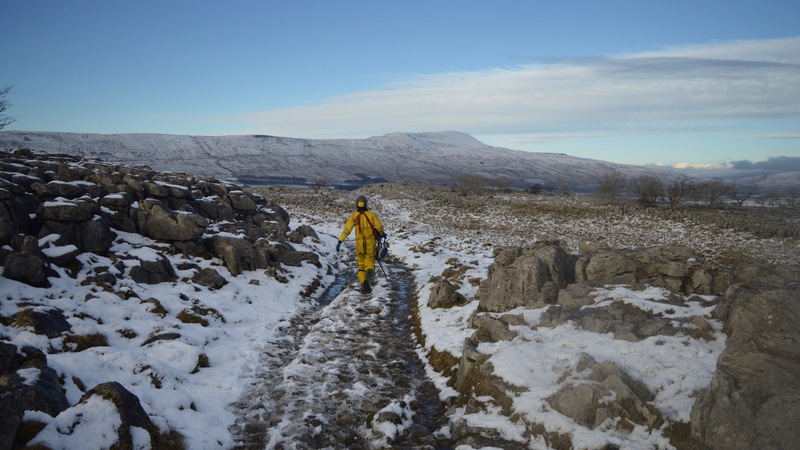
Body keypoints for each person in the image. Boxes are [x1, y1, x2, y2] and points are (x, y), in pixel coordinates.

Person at [336, 195, 385, 293]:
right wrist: (381, 234)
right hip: (370, 243)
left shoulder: (354, 216)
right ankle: (369, 275)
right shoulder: (372, 214)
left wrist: (340, 241)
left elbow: (347, 230)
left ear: (357, 204)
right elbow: (379, 226)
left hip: (359, 244)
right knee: (369, 262)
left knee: (361, 265)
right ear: (366, 204)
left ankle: (364, 285)